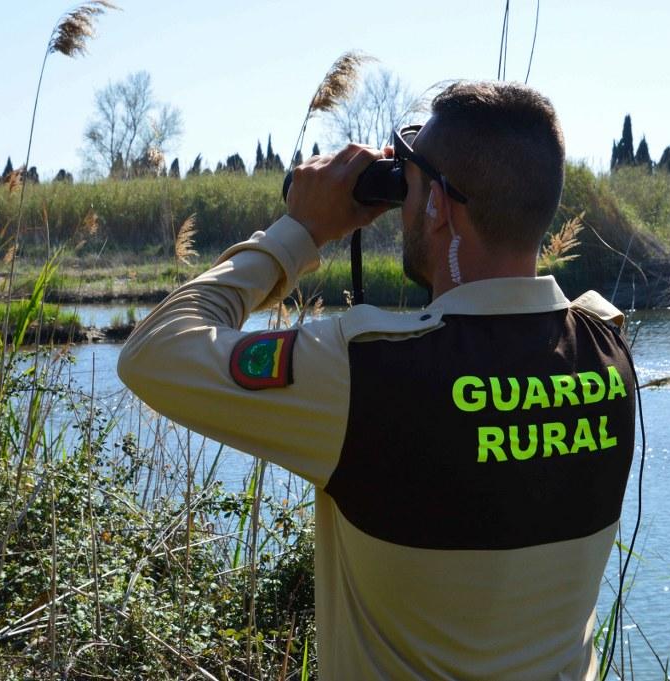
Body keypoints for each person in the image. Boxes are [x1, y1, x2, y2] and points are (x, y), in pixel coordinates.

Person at [118, 81, 636, 680]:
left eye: (408, 187)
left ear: (438, 205)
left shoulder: (365, 372)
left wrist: (298, 230)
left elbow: (155, 351)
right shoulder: (609, 352)